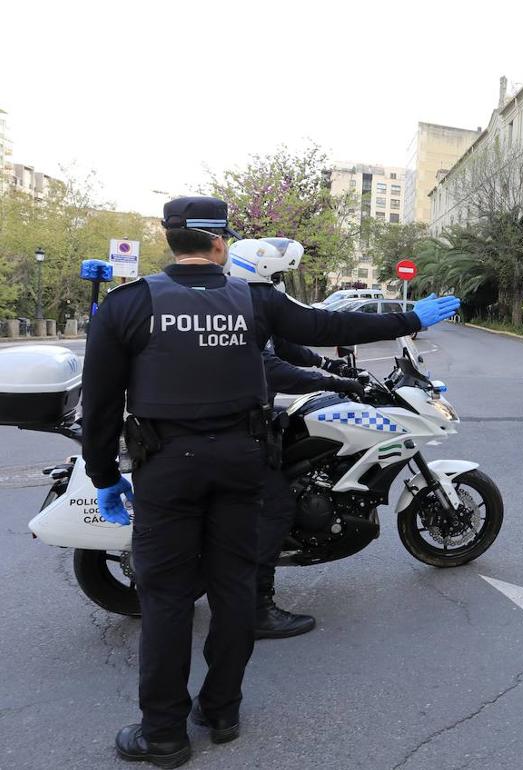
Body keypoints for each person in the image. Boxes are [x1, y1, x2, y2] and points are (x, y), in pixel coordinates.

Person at [81, 196, 459, 768]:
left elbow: (101, 406)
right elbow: (330, 324)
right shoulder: (254, 299)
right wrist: (410, 318)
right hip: (243, 460)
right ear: (220, 241)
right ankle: (222, 711)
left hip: (166, 467)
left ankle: (163, 734)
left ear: (168, 238)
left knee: (166, 599)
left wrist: (106, 477)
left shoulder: (126, 306)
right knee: (234, 589)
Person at [230, 235, 361, 639]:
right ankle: (257, 609)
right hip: (238, 428)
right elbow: (273, 367)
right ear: (264, 271)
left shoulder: (245, 302)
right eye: (282, 272)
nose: (286, 280)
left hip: (249, 419)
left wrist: (327, 364)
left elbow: (288, 347)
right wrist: (335, 381)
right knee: (276, 505)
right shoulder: (249, 305)